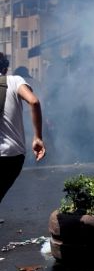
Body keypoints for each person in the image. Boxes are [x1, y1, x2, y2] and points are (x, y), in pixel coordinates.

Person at [0, 53, 46, 203]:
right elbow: (34, 101)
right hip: (13, 156)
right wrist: (37, 137)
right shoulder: (14, 80)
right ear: (6, 69)